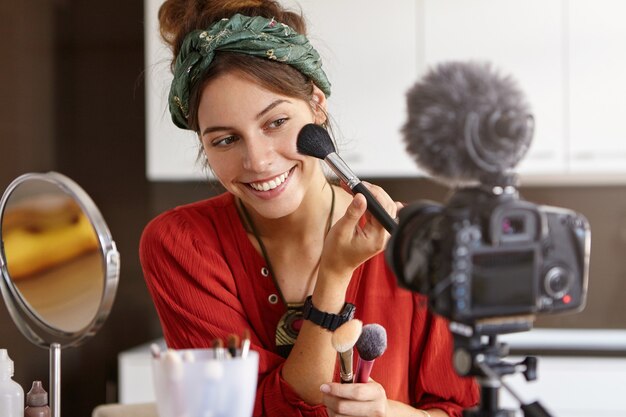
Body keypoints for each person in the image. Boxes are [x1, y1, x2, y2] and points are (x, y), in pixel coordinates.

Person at [140, 1, 479, 416]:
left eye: (275, 122)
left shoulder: (417, 243)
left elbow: (465, 409)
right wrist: (334, 276)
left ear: (317, 105)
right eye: (225, 140)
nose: (258, 161)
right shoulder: (181, 245)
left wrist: (387, 413)